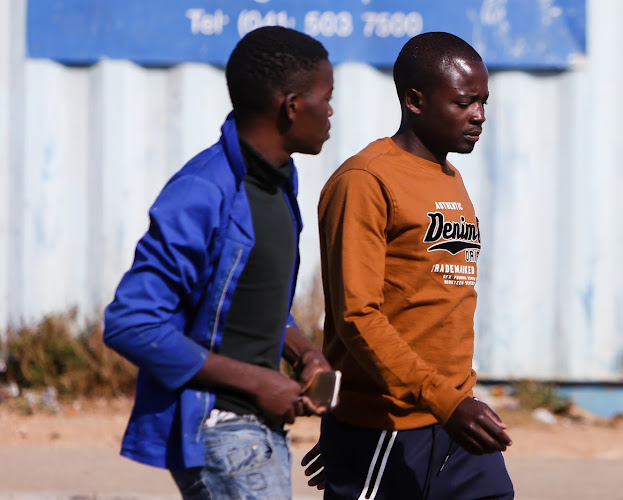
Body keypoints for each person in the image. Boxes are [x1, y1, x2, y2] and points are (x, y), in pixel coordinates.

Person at [103, 26, 334, 500]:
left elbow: (245, 301)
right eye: (325, 98)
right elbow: (131, 321)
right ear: (291, 106)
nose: (330, 111)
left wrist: (303, 352)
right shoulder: (204, 191)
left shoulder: (276, 185)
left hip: (259, 435)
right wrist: (259, 381)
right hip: (222, 433)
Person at [303, 32, 514, 499]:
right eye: (464, 102)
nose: (479, 115)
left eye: (483, 101)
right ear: (415, 100)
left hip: (455, 423)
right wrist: (337, 420)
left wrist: (455, 405)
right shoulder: (365, 181)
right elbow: (354, 318)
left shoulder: (450, 177)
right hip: (390, 428)